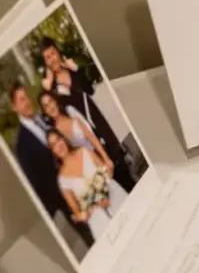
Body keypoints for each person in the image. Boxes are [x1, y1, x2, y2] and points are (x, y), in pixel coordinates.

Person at [39, 38, 135, 192]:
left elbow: (90, 90)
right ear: (46, 63)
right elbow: (50, 117)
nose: (52, 59)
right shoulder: (52, 92)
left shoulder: (73, 71)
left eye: (52, 54)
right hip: (89, 147)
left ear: (58, 52)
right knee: (114, 190)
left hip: (103, 131)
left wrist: (76, 70)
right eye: (47, 58)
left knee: (128, 179)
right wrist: (47, 88)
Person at [8, 84, 95, 248]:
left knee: (98, 212)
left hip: (79, 174)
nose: (27, 102)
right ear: (15, 107)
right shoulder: (21, 145)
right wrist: (59, 196)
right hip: (63, 193)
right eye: (21, 100)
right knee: (87, 230)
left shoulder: (43, 118)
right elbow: (35, 180)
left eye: (26, 97)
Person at [47, 129, 129, 241]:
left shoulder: (84, 151)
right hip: (97, 217)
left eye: (58, 140)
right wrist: (89, 209)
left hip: (114, 195)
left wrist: (104, 189)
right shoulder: (62, 180)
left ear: (64, 139)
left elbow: (106, 171)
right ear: (53, 152)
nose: (58, 145)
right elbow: (77, 212)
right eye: (54, 145)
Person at [38, 92, 114, 176]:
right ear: (45, 111)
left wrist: (106, 158)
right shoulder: (55, 135)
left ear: (55, 101)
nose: (51, 107)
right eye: (46, 106)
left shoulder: (71, 112)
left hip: (97, 157)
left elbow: (92, 137)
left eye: (51, 101)